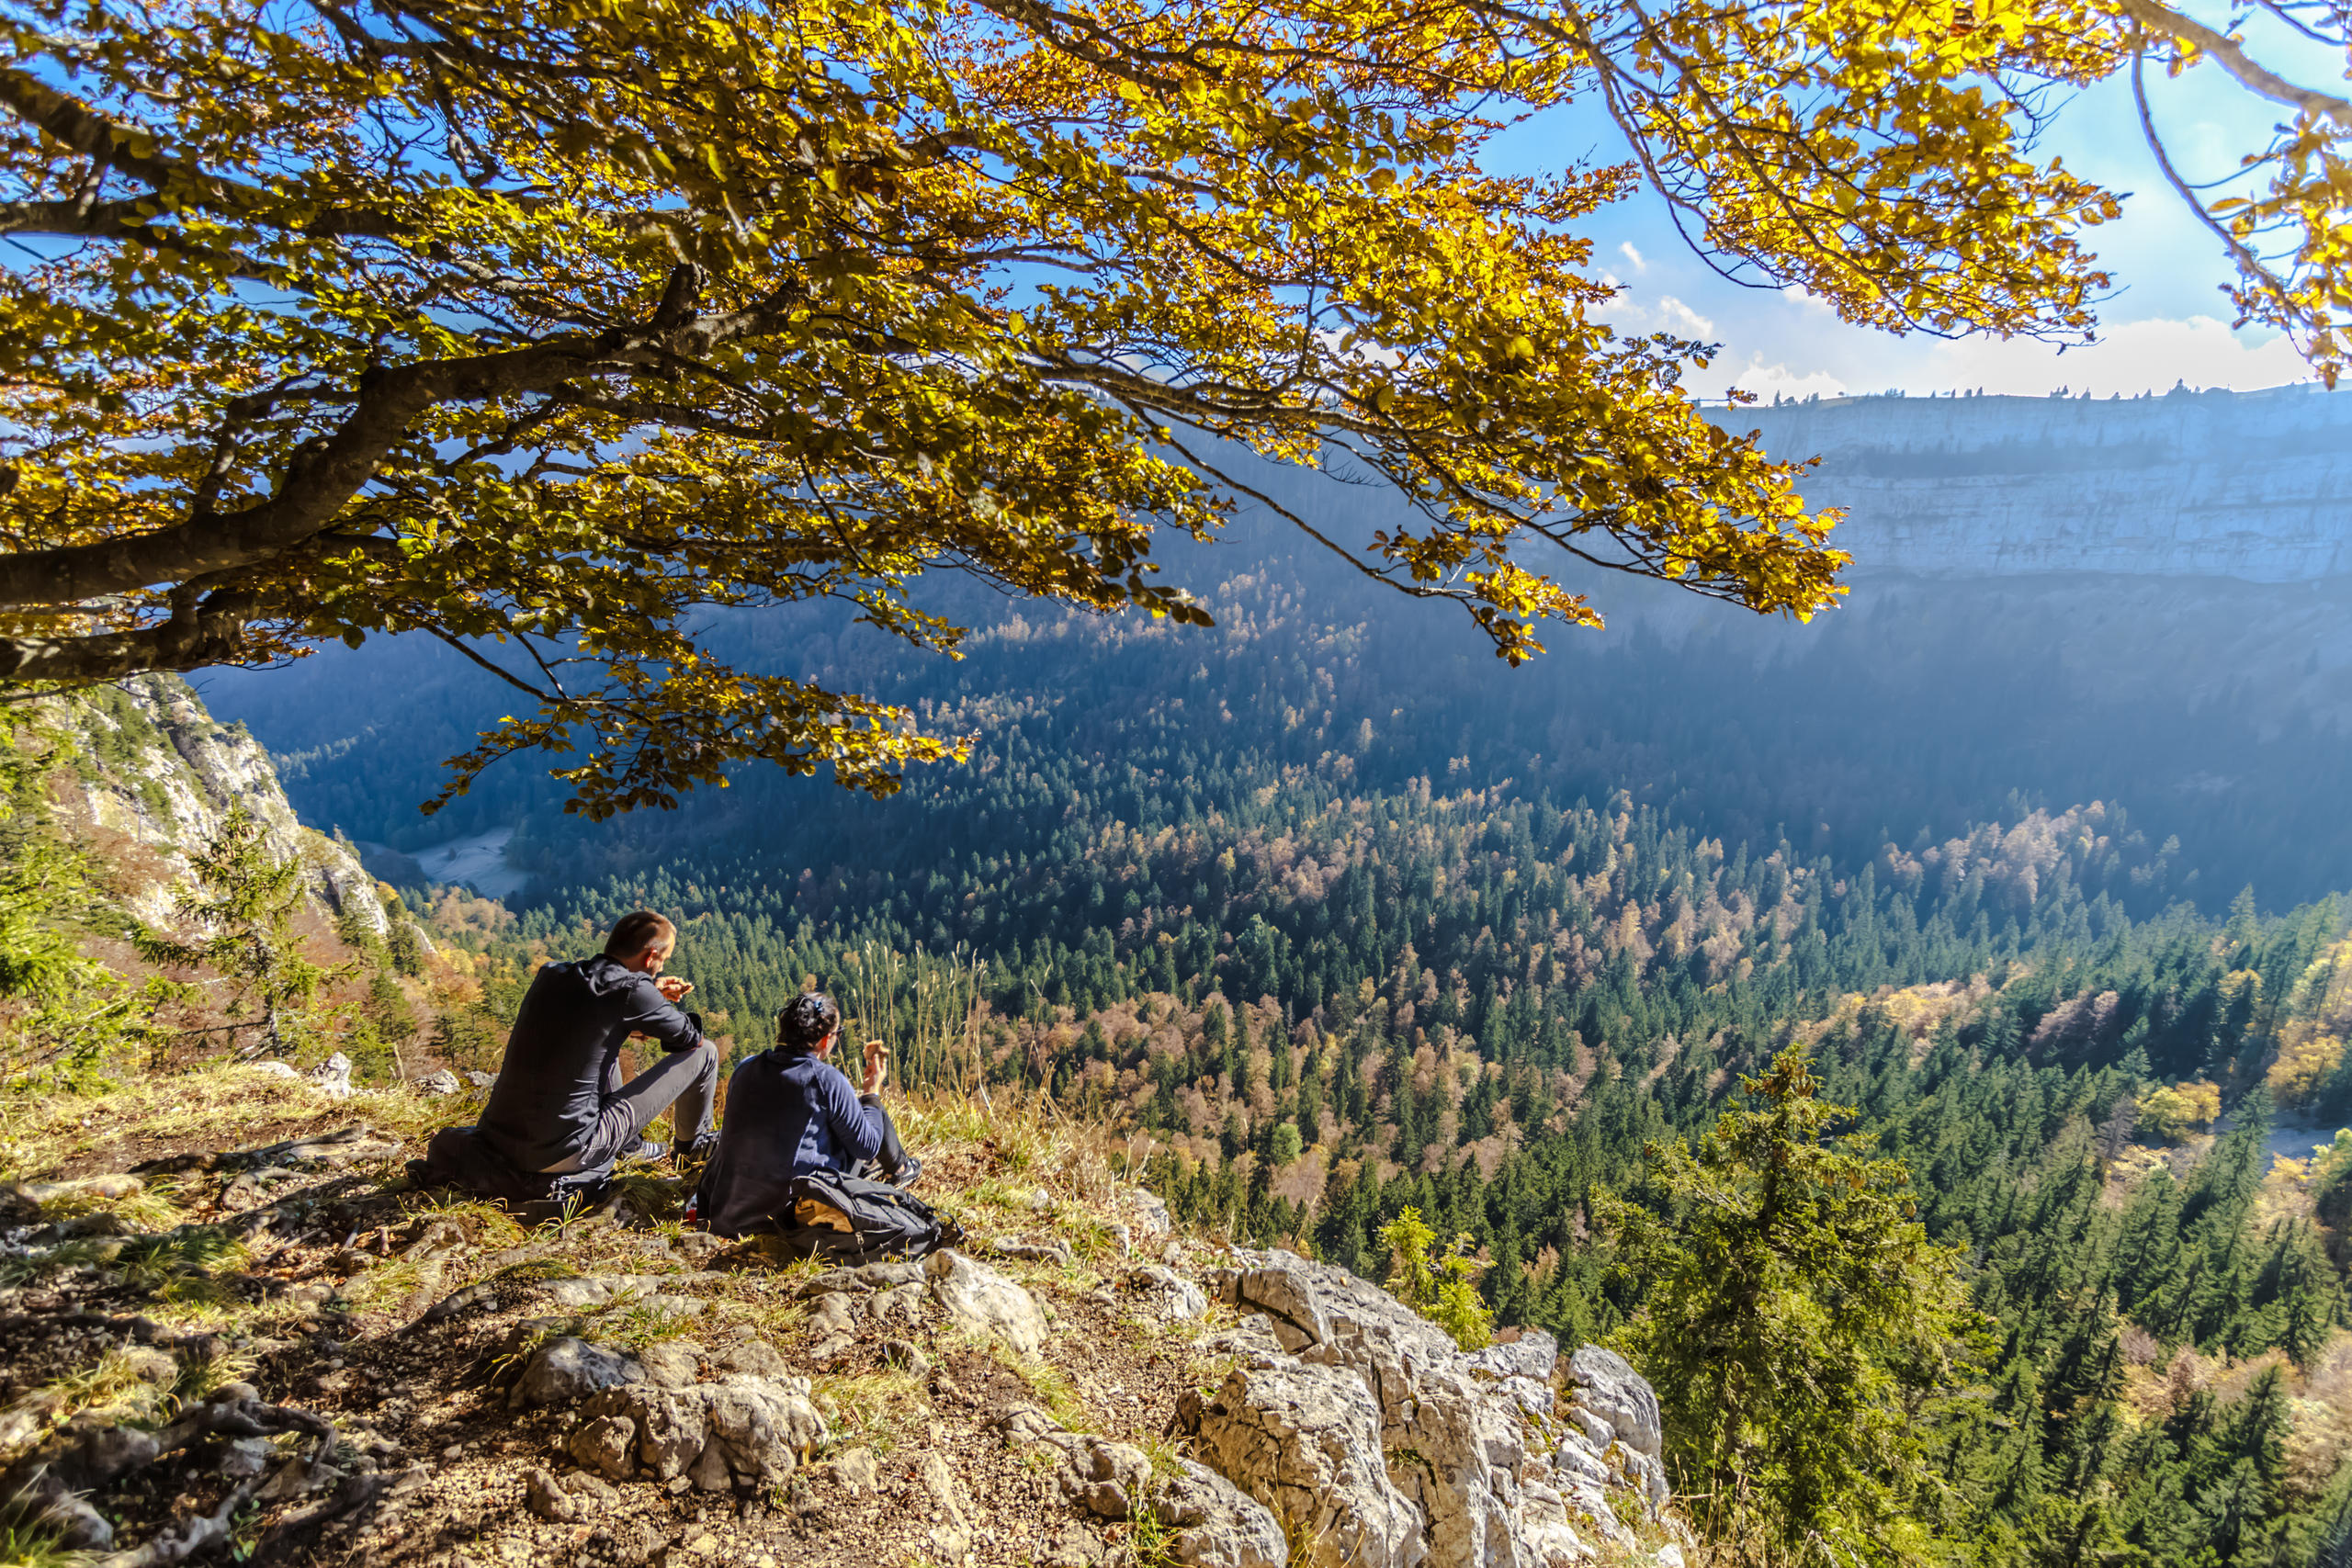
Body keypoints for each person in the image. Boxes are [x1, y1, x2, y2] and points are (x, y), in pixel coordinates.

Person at [475, 910, 720, 1185]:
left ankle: (630, 1148)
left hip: (498, 1140)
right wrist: (650, 997)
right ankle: (692, 1152)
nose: (661, 968)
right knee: (706, 1052)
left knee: (602, 1043)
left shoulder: (552, 974)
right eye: (662, 960)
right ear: (650, 957)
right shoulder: (632, 990)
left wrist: (648, 994)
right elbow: (689, 1039)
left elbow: (602, 1017)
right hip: (565, 1152)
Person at [692, 990, 920, 1238]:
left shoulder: (746, 1067)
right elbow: (867, 1148)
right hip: (785, 1217)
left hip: (726, 1211)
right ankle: (900, 1169)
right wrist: (871, 1091)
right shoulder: (825, 1080)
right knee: (869, 1110)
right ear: (825, 1040)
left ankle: (899, 1166)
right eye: (838, 1033)